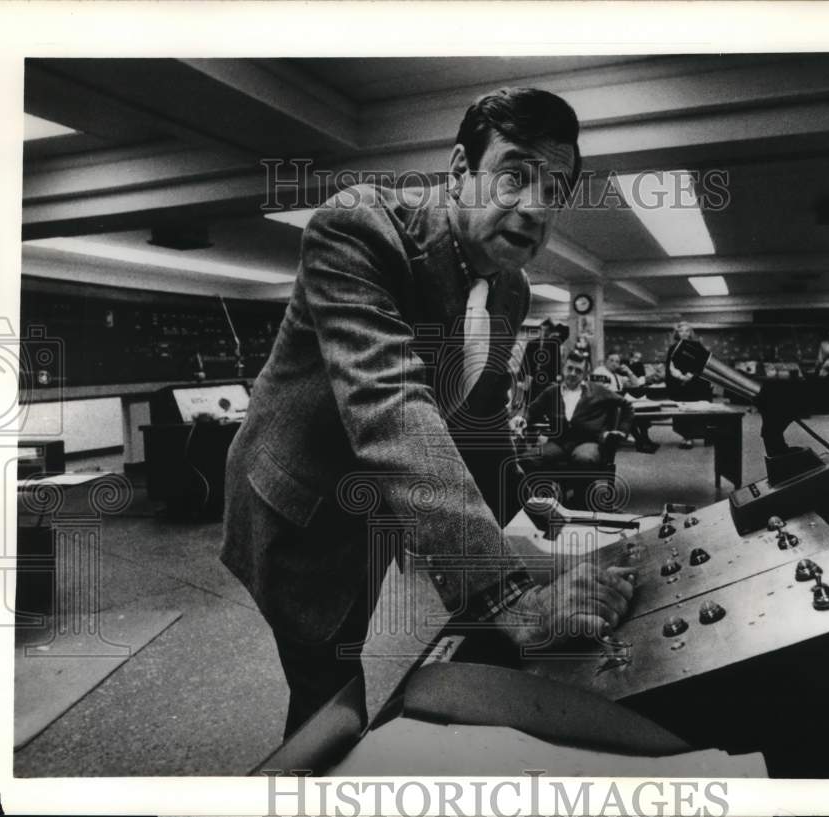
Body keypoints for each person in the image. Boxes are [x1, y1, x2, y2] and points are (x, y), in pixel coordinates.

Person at [221, 87, 635, 737]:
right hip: (295, 502)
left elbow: (480, 411)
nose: (534, 206)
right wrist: (510, 599)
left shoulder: (511, 287)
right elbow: (390, 406)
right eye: (515, 175)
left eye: (553, 189)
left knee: (357, 631)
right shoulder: (356, 227)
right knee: (329, 684)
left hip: (375, 498)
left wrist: (519, 498)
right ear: (460, 169)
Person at [525, 351, 633, 496]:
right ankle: (542, 500)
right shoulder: (551, 392)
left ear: (585, 373)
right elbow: (531, 412)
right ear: (563, 368)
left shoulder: (597, 391)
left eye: (578, 370)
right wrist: (524, 425)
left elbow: (626, 405)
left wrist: (622, 430)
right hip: (559, 443)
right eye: (569, 368)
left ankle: (579, 499)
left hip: (588, 442)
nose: (573, 373)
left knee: (584, 459)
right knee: (529, 459)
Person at [665, 321, 713, 449]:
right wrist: (680, 376)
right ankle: (685, 437)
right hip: (679, 384)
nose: (684, 333)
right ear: (677, 333)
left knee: (694, 410)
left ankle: (692, 436)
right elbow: (670, 366)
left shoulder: (697, 346)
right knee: (682, 411)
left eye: (687, 331)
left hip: (695, 384)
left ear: (690, 333)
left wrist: (691, 375)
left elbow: (703, 363)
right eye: (681, 331)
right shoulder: (673, 348)